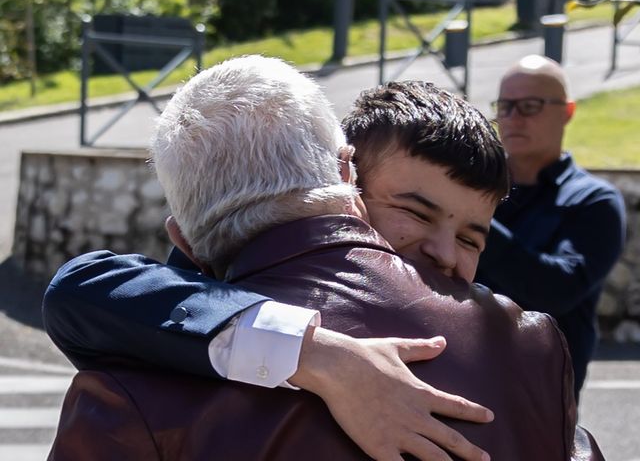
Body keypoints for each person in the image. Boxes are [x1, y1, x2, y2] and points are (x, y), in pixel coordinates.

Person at [47, 55, 599, 460]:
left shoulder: (131, 381)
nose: (443, 254)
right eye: (415, 211)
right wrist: (316, 353)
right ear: (347, 176)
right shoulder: (531, 347)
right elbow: (85, 289)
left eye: (474, 238)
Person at [476, 54, 626, 401]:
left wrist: (473, 220)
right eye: (505, 106)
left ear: (567, 111)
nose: (513, 118)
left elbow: (556, 290)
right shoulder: (475, 192)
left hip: (539, 401)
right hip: (452, 378)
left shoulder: (594, 201)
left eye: (530, 106)